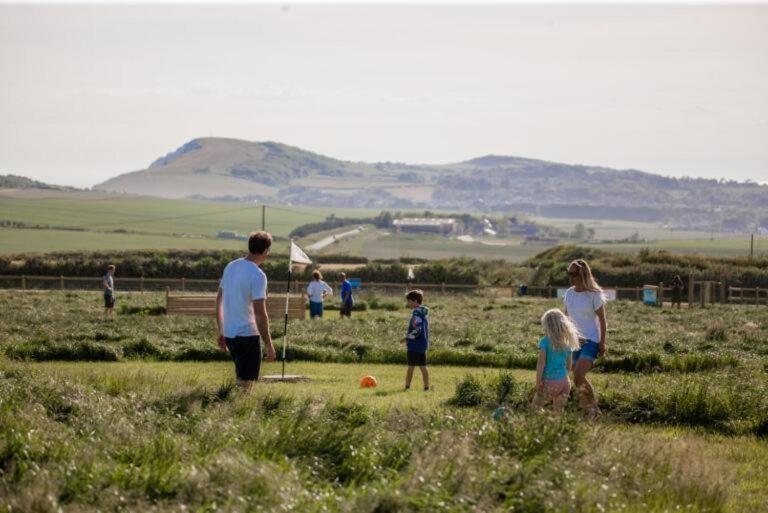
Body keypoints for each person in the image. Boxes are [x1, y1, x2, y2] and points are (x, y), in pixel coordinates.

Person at [216, 231, 277, 389]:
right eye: (268, 251)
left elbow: (219, 300)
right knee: (247, 386)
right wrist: (269, 344)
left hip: (230, 333)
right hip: (247, 334)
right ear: (265, 251)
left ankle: (233, 409)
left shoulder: (231, 266)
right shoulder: (258, 275)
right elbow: (260, 314)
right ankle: (240, 412)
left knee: (241, 381)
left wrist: (221, 330)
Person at [563, 259, 607, 419]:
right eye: (569, 273)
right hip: (575, 341)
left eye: (573, 274)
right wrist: (563, 340)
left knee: (579, 375)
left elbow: (602, 320)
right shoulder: (569, 293)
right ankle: (591, 410)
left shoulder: (594, 294)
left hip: (591, 341)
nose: (570, 277)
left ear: (582, 274)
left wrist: (602, 343)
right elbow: (566, 318)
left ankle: (592, 410)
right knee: (576, 379)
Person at [532, 309, 581, 412]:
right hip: (564, 382)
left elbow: (541, 364)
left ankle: (541, 425)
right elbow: (569, 366)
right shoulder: (567, 344)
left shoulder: (545, 342)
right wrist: (561, 377)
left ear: (547, 326)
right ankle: (556, 427)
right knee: (558, 413)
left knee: (534, 408)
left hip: (549, 381)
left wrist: (538, 382)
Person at [401, 289, 430, 391]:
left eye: (409, 301)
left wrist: (407, 337)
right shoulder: (423, 313)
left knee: (411, 366)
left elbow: (417, 329)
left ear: (415, 301)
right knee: (423, 366)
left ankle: (407, 387)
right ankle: (426, 387)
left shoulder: (416, 314)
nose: (408, 303)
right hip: (422, 344)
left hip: (414, 345)